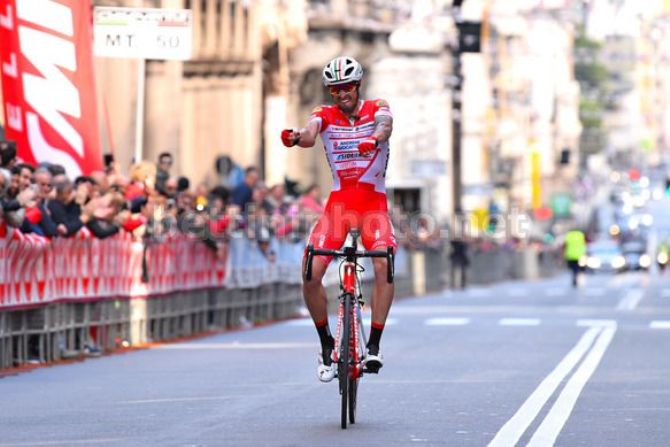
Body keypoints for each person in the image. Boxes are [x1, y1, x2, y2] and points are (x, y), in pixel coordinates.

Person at [281, 56, 396, 382]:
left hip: (372, 205)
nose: (341, 94)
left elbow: (385, 127)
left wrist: (374, 139)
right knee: (310, 271)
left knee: (383, 264)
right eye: (335, 89)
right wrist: (295, 136)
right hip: (339, 207)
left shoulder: (378, 107)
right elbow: (310, 133)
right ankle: (326, 343)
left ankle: (373, 345)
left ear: (357, 85)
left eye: (346, 87)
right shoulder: (324, 113)